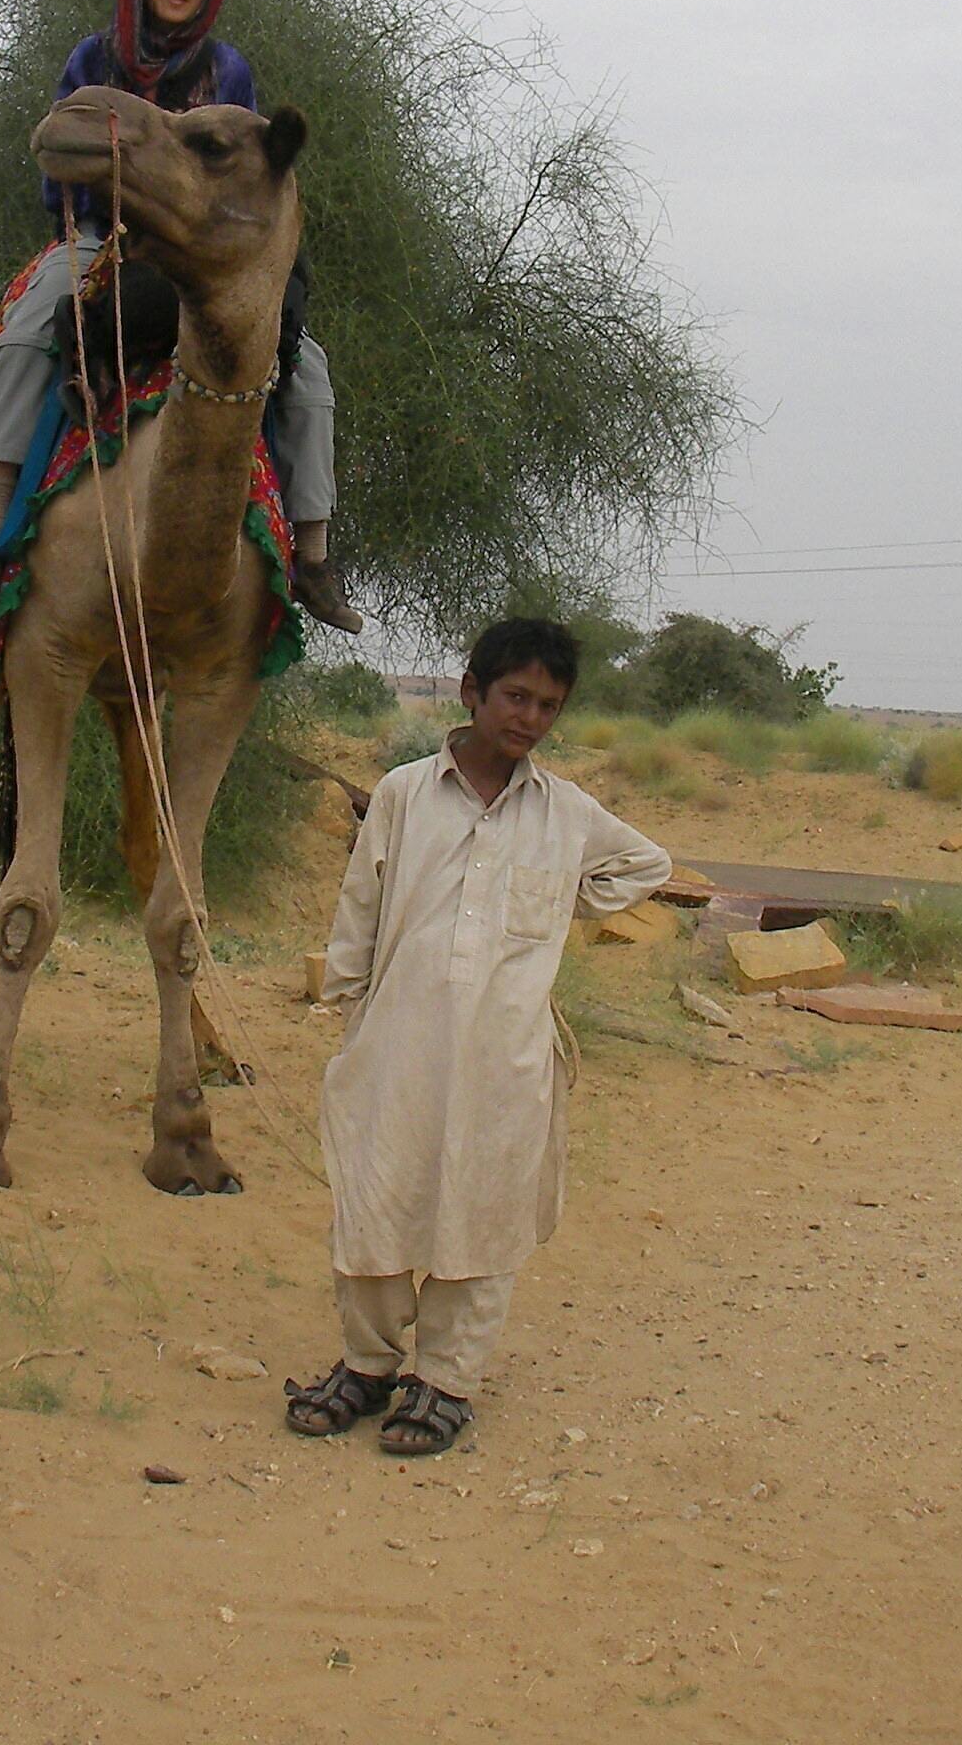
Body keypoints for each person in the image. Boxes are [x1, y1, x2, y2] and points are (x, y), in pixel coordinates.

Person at [285, 618, 670, 1455]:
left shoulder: (566, 813)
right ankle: (367, 1364)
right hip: (397, 1040)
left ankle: (447, 1381)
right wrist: (349, 1011)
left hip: (507, 1056)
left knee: (481, 1211)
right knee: (376, 1199)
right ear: (472, 692)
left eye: (548, 706)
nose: (529, 718)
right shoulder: (404, 793)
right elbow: (360, 904)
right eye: (516, 696)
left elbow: (648, 866)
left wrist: (571, 900)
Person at [0, 0, 362, 633]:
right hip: (102, 233)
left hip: (196, 244)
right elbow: (60, 169)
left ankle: (315, 555)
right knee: (26, 332)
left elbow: (243, 169)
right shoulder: (94, 58)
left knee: (307, 368)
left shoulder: (227, 71)